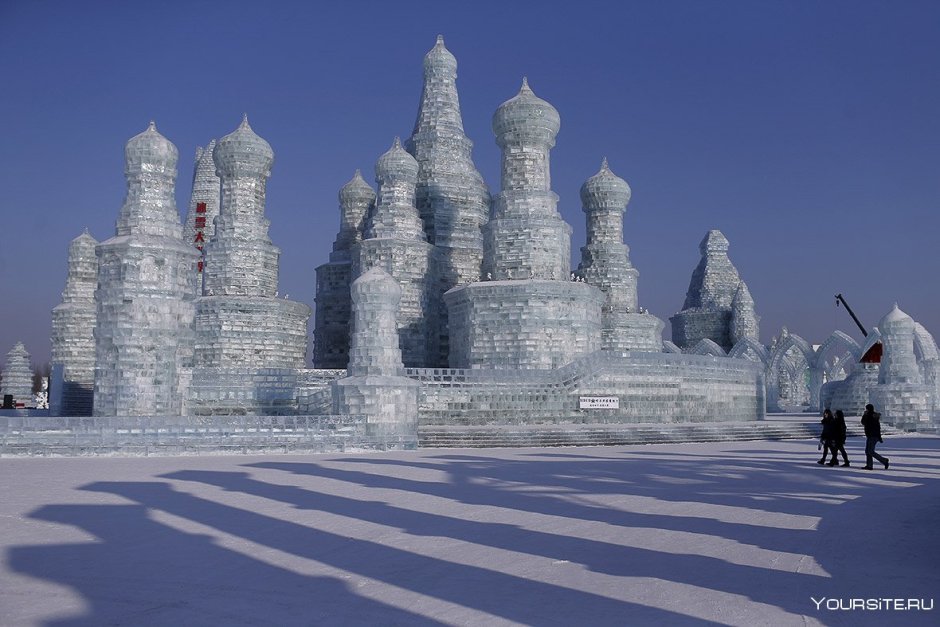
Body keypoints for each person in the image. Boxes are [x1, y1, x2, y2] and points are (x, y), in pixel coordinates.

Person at [861, 403, 889, 470]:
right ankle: (869, 465)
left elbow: (877, 427)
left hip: (873, 436)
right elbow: (863, 422)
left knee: (870, 451)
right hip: (870, 435)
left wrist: (879, 437)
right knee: (868, 451)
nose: (866, 410)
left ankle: (884, 460)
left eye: (867, 408)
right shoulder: (868, 415)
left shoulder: (873, 416)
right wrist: (864, 415)